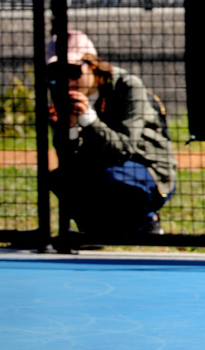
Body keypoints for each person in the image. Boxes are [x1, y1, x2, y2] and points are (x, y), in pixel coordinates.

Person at [46, 30, 176, 237]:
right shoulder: (60, 96)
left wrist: (88, 118)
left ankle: (146, 223)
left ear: (92, 63)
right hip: (99, 165)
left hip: (146, 166)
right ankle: (93, 229)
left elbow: (124, 149)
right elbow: (67, 159)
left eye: (73, 72)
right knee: (61, 177)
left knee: (109, 175)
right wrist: (69, 128)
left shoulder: (126, 86)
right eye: (56, 74)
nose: (67, 82)